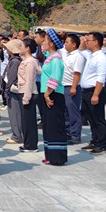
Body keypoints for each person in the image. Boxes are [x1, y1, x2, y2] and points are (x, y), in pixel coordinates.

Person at [40, 28, 67, 166]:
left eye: (45, 40)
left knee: (55, 126)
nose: (43, 43)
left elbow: (55, 78)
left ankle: (58, 156)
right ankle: (50, 154)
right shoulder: (49, 57)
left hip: (53, 94)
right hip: (48, 93)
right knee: (48, 125)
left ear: (51, 44)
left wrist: (47, 93)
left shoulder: (56, 59)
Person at [80, 32, 106, 155]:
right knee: (91, 118)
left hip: (94, 91)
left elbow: (101, 78)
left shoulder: (101, 58)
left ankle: (101, 144)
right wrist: (83, 41)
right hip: (86, 91)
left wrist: (96, 94)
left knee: (98, 118)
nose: (87, 42)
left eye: (89, 40)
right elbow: (80, 50)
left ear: (96, 42)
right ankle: (94, 140)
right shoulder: (91, 55)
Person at [17, 38, 41, 153]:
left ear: (27, 48)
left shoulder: (30, 62)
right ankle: (28, 143)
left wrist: (26, 98)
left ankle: (31, 145)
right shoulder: (27, 60)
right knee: (26, 121)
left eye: (22, 46)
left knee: (29, 122)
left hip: (29, 93)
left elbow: (29, 81)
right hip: (26, 92)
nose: (20, 48)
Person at [62, 33, 85, 144]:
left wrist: (74, 87)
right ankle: (67, 133)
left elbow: (77, 73)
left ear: (74, 44)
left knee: (73, 111)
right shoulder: (68, 55)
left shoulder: (78, 56)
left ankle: (75, 135)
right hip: (64, 85)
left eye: (67, 42)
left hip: (71, 86)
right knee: (66, 112)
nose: (65, 44)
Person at [2, 39, 24, 145]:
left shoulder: (15, 61)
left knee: (14, 114)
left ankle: (17, 135)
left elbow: (11, 77)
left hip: (13, 91)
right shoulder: (15, 60)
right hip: (13, 90)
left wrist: (6, 90)